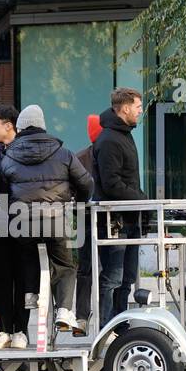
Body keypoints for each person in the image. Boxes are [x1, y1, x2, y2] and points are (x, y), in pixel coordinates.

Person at [0, 105, 94, 335]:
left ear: (20, 128)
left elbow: (2, 193)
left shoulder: (9, 155)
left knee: (27, 254)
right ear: (43, 125)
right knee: (65, 265)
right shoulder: (63, 153)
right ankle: (63, 310)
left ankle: (31, 294)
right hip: (56, 220)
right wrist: (77, 203)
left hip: (21, 222)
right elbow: (86, 183)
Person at [95, 87, 146, 324]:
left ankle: (120, 323)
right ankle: (107, 325)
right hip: (114, 221)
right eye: (137, 107)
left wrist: (142, 203)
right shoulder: (109, 139)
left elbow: (128, 180)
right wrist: (141, 200)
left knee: (127, 277)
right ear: (125, 108)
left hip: (129, 219)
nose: (140, 111)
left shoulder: (124, 134)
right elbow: (112, 183)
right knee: (113, 277)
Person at [0, 105, 27, 350]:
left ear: (9, 125)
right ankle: (4, 330)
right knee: (1, 276)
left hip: (23, 222)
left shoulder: (25, 149)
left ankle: (21, 330)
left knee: (21, 277)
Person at [74, 113, 103, 328]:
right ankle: (85, 316)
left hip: (86, 218)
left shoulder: (80, 157)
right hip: (90, 218)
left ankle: (83, 317)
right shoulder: (81, 157)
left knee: (87, 269)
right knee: (88, 269)